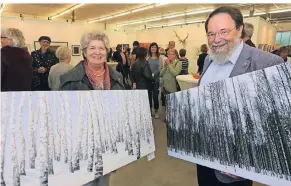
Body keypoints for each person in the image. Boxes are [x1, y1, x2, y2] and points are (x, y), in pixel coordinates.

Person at [197, 6, 284, 186]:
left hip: (236, 166)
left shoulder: (267, 63)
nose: (216, 39)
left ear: (240, 29)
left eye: (223, 31)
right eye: (211, 34)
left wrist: (250, 159)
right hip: (204, 153)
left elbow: (278, 122)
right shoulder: (208, 59)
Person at [59, 31, 124, 186]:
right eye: (92, 48)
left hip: (108, 139)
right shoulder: (70, 78)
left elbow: (122, 106)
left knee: (104, 179)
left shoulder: (117, 77)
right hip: (82, 141)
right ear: (84, 51)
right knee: (86, 180)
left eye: (101, 48)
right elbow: (62, 113)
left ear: (107, 52)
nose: (97, 52)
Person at [147, 42, 164, 119]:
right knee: (149, 95)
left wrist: (154, 74)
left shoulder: (160, 58)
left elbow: (160, 68)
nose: (153, 48)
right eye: (152, 47)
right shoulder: (147, 57)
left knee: (155, 95)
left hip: (156, 79)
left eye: (155, 47)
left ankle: (156, 110)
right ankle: (149, 110)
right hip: (148, 79)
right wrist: (149, 75)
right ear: (150, 48)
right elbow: (145, 67)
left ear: (157, 48)